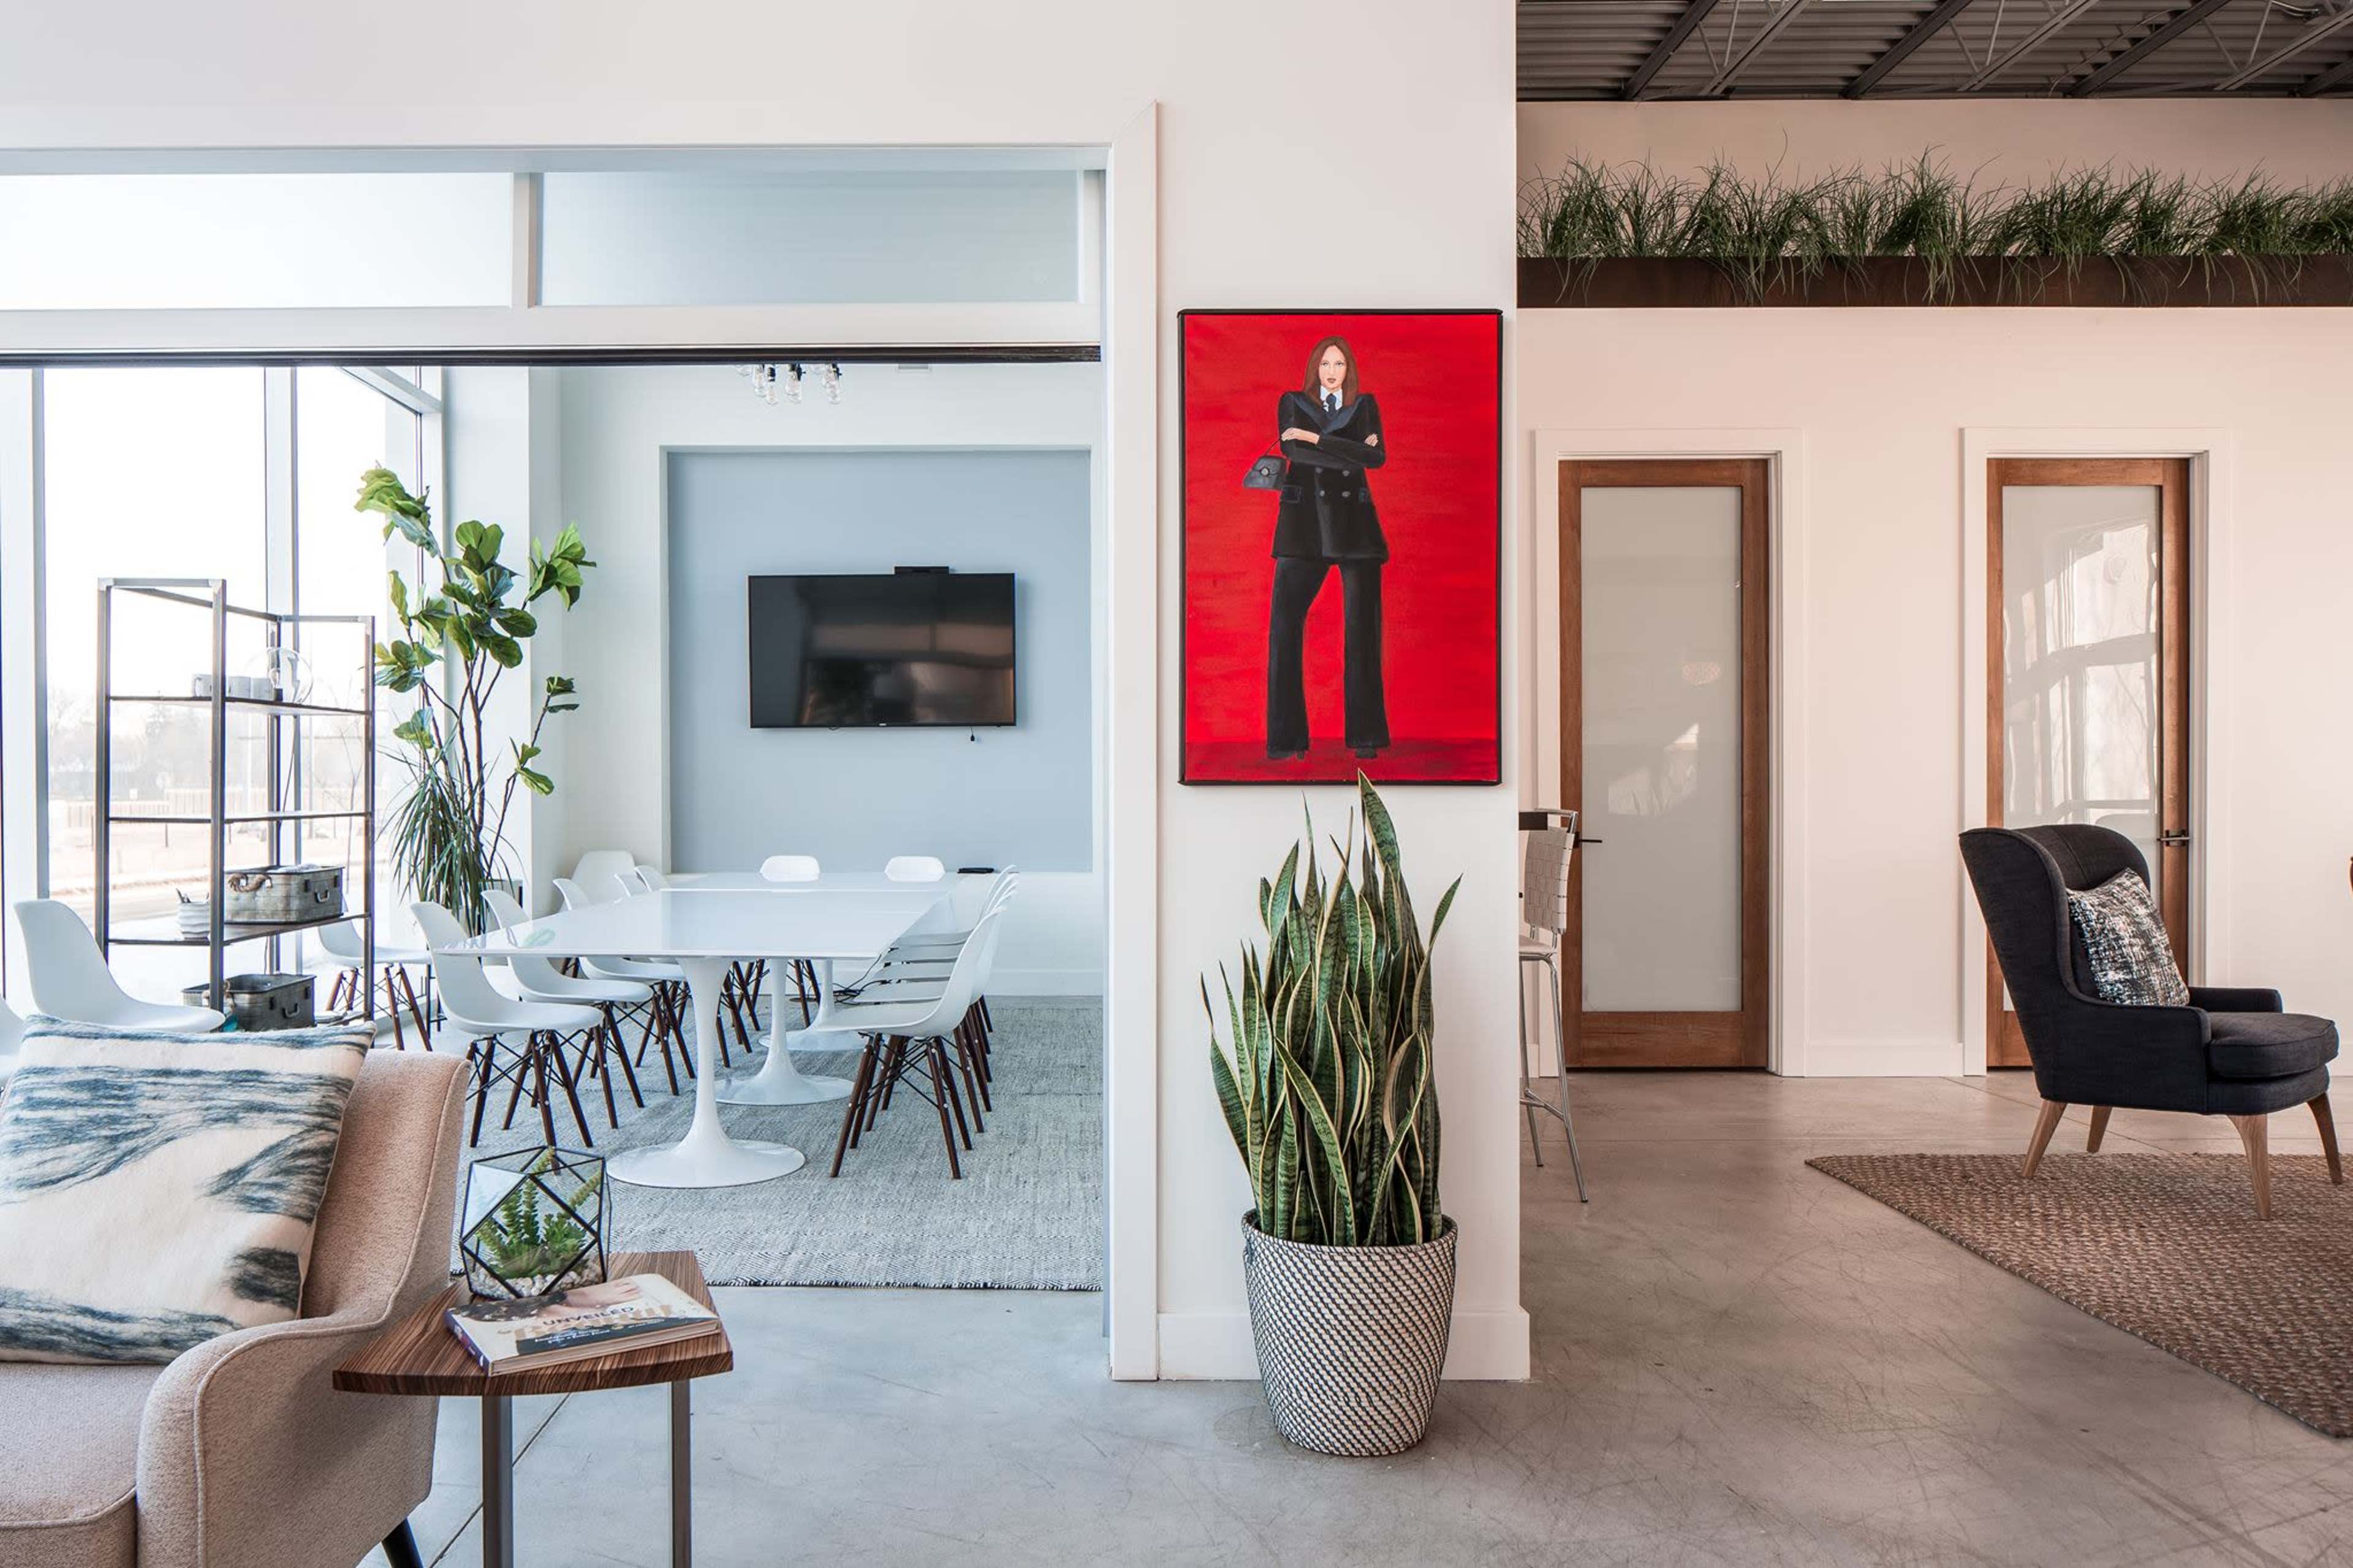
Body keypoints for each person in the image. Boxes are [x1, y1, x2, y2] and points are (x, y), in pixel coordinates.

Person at [1267, 335, 1390, 760]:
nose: (1332, 371)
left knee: (1363, 633)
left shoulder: (1365, 405)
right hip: (1303, 528)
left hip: (1355, 525)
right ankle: (1286, 741)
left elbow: (1376, 460)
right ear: (1314, 368)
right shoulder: (1292, 403)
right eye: (1325, 364)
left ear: (1349, 370)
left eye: (1339, 364)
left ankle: (1366, 738)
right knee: (1284, 629)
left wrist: (1316, 441)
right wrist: (1352, 449)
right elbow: (1291, 449)